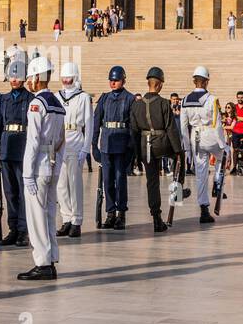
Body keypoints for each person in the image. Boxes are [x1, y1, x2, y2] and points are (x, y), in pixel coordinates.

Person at [17, 56, 66, 282]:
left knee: (36, 215)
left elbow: (33, 141)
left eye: (30, 77)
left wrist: (28, 173)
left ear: (37, 77)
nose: (28, 82)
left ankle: (42, 262)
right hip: (53, 162)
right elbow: (62, 138)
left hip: (39, 165)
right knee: (48, 214)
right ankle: (51, 257)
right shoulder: (57, 103)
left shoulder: (37, 103)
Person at [130, 66, 181, 233]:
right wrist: (179, 151)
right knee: (179, 161)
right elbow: (171, 129)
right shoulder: (165, 104)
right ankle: (178, 191)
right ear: (159, 85)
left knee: (152, 182)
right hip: (162, 144)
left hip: (145, 146)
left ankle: (156, 218)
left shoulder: (136, 106)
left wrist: (137, 156)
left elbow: (134, 132)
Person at [179, 65, 227, 225]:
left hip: (195, 138)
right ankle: (217, 183)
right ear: (206, 82)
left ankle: (204, 209)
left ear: (194, 81)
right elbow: (218, 123)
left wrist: (187, 148)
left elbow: (183, 127)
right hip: (210, 135)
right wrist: (223, 144)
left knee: (201, 175)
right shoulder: (212, 99)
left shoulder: (185, 100)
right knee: (222, 157)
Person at [0, 55, 31, 246]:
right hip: (7, 148)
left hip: (23, 147)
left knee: (23, 191)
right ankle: (13, 228)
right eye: (12, 77)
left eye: (18, 77)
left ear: (24, 79)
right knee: (10, 192)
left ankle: (24, 230)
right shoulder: (4, 100)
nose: (15, 80)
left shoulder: (31, 99)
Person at [92, 65, 136, 230]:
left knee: (120, 180)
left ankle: (121, 214)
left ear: (123, 80)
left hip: (122, 145)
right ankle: (110, 213)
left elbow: (133, 126)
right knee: (107, 181)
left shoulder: (130, 99)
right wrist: (94, 145)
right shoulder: (104, 98)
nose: (113, 83)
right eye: (111, 80)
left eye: (116, 80)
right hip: (106, 144)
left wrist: (131, 149)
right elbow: (96, 123)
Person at [56, 61, 93, 239]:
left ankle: (76, 220)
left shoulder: (84, 97)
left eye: (68, 77)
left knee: (74, 184)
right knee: (61, 184)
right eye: (63, 77)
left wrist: (85, 149)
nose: (65, 80)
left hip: (76, 139)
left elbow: (89, 124)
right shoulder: (57, 96)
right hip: (60, 142)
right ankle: (66, 218)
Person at [229, 91, 243, 173]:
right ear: (236, 97)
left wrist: (237, 117)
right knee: (235, 149)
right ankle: (234, 167)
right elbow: (231, 118)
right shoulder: (234, 107)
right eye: (238, 97)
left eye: (241, 97)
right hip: (235, 131)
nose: (240, 99)